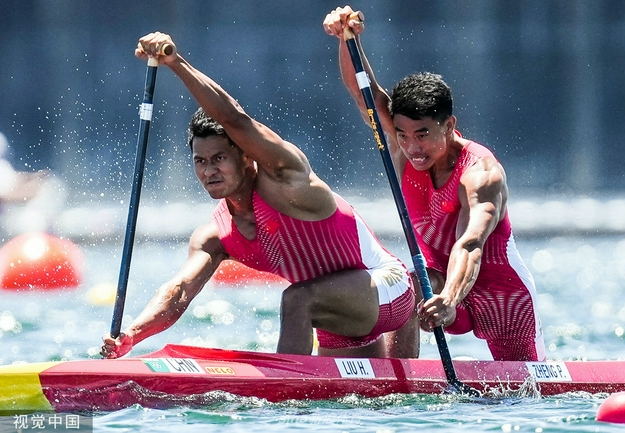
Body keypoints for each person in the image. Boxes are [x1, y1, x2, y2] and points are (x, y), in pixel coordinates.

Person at [101, 32, 418, 360]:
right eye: (200, 161)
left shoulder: (286, 178)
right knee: (362, 400)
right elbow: (180, 291)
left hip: (388, 288)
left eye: (219, 159)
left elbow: (232, 117)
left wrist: (175, 63)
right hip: (335, 312)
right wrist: (133, 334)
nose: (209, 171)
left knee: (295, 300)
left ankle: (284, 399)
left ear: (246, 157)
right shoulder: (216, 236)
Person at [323, 6, 545, 361]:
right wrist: (348, 39)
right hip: (439, 281)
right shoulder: (401, 146)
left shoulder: (481, 173)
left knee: (519, 394)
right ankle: (402, 379)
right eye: (403, 135)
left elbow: (471, 244)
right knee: (409, 288)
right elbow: (363, 91)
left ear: (448, 123)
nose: (412, 147)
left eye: (422, 134)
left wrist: (450, 300)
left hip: (501, 294)